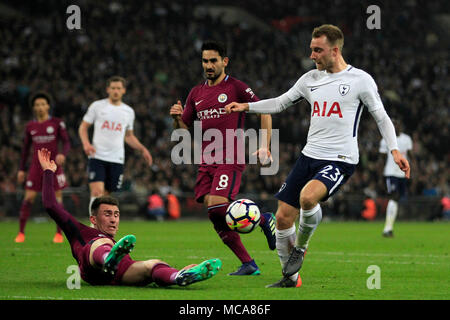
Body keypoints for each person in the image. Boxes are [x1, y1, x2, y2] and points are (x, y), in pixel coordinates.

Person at [225, 24, 410, 287]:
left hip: (340, 158)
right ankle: (290, 278)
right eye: (311, 50)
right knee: (282, 217)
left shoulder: (360, 80)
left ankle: (301, 247)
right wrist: (247, 106)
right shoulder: (310, 79)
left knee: (308, 197)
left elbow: (381, 116)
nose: (312, 56)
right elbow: (280, 102)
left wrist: (394, 149)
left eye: (317, 50)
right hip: (308, 156)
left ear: (335, 50)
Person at [37, 148, 221, 287]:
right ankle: (109, 258)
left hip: (117, 273)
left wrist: (178, 271)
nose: (113, 219)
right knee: (101, 243)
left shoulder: (114, 243)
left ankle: (178, 276)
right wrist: (48, 172)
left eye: (116, 215)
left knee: (152, 265)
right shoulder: (81, 231)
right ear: (93, 219)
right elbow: (50, 205)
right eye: (107, 214)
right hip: (92, 264)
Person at [169, 40, 276, 276]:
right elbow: (183, 129)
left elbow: (265, 110)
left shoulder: (236, 87)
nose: (208, 65)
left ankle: (262, 217)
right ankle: (249, 263)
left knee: (217, 203)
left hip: (231, 154)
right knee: (215, 213)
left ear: (224, 62)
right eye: (205, 61)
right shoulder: (196, 93)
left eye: (213, 61)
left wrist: (265, 146)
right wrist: (176, 118)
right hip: (207, 159)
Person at [78, 76, 153, 217]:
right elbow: (83, 127)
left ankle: (99, 227)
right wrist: (86, 144)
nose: (116, 91)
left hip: (117, 159)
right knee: (96, 192)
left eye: (119, 88)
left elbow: (129, 136)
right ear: (108, 90)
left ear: (124, 90)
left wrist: (143, 149)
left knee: (105, 196)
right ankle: (94, 228)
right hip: (97, 156)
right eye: (113, 88)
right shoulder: (97, 106)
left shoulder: (128, 112)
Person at [15, 92, 71, 243]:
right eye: (37, 105)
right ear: (33, 108)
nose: (40, 107)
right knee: (28, 198)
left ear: (48, 106)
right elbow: (25, 149)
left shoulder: (57, 123)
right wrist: (21, 169)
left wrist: (63, 155)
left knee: (57, 201)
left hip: (53, 166)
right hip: (36, 167)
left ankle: (59, 234)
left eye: (42, 104)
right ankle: (21, 233)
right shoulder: (30, 126)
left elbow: (66, 142)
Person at [379, 120, 413, 237]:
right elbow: (382, 159)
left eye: (398, 125)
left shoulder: (407, 139)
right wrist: (380, 176)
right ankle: (387, 228)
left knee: (397, 199)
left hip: (402, 173)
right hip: (390, 172)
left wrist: (411, 170)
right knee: (394, 196)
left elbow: (410, 156)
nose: (396, 127)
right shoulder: (385, 140)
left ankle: (389, 227)